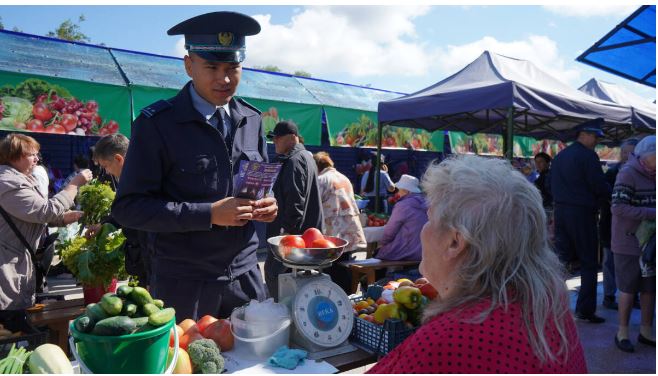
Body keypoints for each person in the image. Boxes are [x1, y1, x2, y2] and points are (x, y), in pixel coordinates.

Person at [111, 11, 278, 320]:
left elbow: (259, 183)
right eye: (212, 67)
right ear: (189, 65)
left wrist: (268, 204)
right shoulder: (157, 124)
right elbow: (128, 208)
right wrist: (210, 214)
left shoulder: (252, 120)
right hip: (185, 284)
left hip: (245, 276)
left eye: (233, 67)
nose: (224, 79)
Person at [367, 155, 587, 373]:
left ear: (455, 242)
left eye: (429, 218)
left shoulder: (448, 339)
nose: (423, 230)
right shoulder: (550, 308)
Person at [0, 133, 92, 310]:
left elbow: (29, 215)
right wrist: (73, 185)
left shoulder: (19, 179)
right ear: (13, 156)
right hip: (6, 263)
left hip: (15, 259)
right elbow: (44, 211)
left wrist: (63, 218)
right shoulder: (8, 183)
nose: (36, 159)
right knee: (9, 321)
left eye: (37, 154)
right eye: (31, 155)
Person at [550, 118, 611, 323]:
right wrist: (611, 198)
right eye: (594, 136)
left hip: (561, 212)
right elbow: (599, 186)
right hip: (582, 214)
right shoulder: (587, 156)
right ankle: (585, 310)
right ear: (583, 134)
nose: (596, 141)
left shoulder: (560, 156)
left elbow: (550, 186)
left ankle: (551, 306)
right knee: (588, 262)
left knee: (560, 261)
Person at [264, 120, 323, 299]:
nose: (274, 142)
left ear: (292, 138)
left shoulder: (294, 160)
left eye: (277, 138)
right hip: (305, 240)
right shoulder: (307, 156)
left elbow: (295, 202)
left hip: (293, 241)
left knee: (277, 281)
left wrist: (285, 234)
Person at [611, 135, 655, 353]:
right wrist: (652, 213)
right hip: (627, 241)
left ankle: (646, 331)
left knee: (649, 288)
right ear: (646, 157)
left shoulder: (653, 173)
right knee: (628, 288)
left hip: (650, 242)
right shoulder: (628, 173)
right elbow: (617, 207)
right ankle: (622, 332)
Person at [92, 134, 149, 287]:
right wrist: (103, 223)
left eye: (106, 166)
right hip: (142, 259)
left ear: (118, 159)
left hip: (149, 262)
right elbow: (127, 212)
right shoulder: (133, 177)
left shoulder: (144, 180)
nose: (108, 172)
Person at [313, 151, 366, 293]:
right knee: (344, 264)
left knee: (333, 269)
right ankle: (349, 295)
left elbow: (314, 205)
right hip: (349, 229)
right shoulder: (344, 178)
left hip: (333, 231)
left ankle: (337, 296)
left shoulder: (321, 179)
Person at [599, 139, 638, 310]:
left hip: (634, 229)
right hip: (611, 226)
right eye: (624, 152)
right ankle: (609, 296)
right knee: (609, 263)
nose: (626, 156)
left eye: (630, 153)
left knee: (634, 263)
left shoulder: (644, 175)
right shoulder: (611, 174)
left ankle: (633, 295)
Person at [375, 174, 427, 262]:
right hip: (424, 252)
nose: (398, 193)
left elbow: (390, 231)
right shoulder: (427, 203)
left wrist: (382, 244)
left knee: (378, 253)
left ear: (406, 191)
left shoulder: (403, 205)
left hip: (407, 251)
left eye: (399, 190)